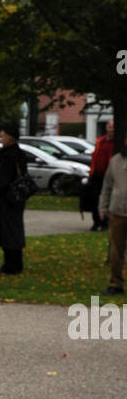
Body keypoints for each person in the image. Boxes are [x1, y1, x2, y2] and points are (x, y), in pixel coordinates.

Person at [0, 123, 28, 274]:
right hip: (15, 198)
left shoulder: (8, 155)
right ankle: (14, 262)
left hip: (6, 198)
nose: (1, 139)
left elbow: (4, 178)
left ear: (10, 137)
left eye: (2, 136)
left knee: (8, 232)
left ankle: (11, 264)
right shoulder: (18, 154)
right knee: (13, 231)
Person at [99, 129, 127, 293]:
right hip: (117, 211)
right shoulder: (115, 160)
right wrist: (103, 207)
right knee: (116, 250)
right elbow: (107, 186)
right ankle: (116, 283)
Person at [88, 121, 114, 232]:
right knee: (94, 199)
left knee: (107, 200)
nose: (111, 128)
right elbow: (95, 158)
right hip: (97, 175)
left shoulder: (117, 142)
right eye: (109, 126)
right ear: (106, 128)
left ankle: (105, 223)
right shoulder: (100, 141)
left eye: (113, 127)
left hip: (109, 176)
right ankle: (96, 222)